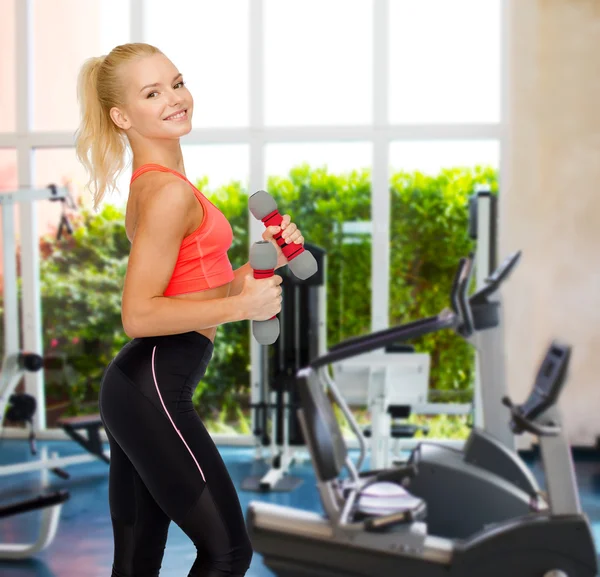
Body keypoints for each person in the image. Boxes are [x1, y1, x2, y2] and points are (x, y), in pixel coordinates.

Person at [74, 42, 305, 577]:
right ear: (122, 116)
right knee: (227, 552)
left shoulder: (166, 187)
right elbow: (139, 315)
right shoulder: (167, 195)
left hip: (139, 386)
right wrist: (242, 305)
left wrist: (254, 274)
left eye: (177, 83)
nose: (176, 98)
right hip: (152, 385)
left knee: (136, 564)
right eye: (152, 93)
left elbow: (196, 295)